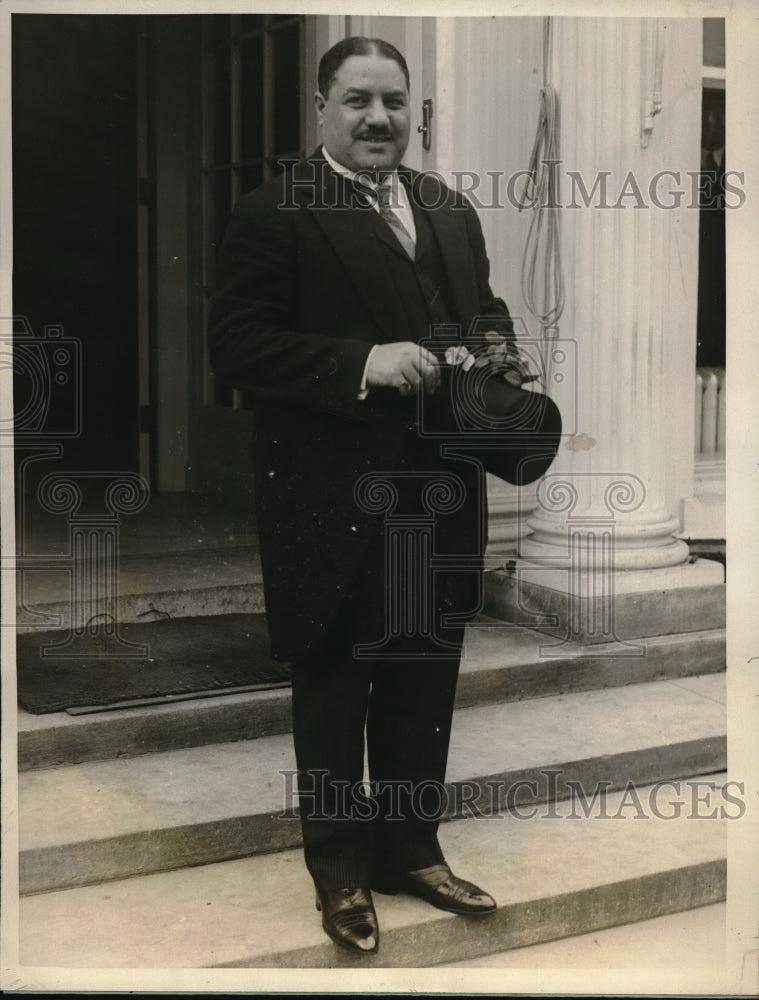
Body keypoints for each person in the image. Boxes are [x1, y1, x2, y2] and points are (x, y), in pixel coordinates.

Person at [208, 36, 521, 956]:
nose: (377, 118)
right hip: (331, 503)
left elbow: (483, 312)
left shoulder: (448, 210)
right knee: (339, 685)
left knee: (425, 678)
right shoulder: (273, 212)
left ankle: (410, 850)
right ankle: (340, 871)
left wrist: (496, 351)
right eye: (356, 101)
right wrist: (362, 363)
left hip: (440, 496)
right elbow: (237, 346)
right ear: (321, 108)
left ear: (412, 111)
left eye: (392, 101)